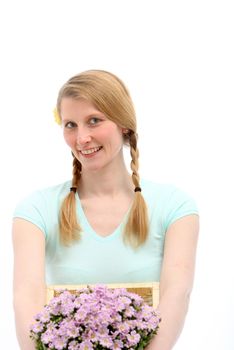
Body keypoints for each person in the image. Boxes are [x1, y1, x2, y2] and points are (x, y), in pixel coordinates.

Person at [12, 69, 199, 350]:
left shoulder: (174, 206)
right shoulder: (35, 210)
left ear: (124, 124)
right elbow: (26, 296)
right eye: (70, 124)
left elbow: (178, 293)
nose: (82, 137)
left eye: (94, 121)